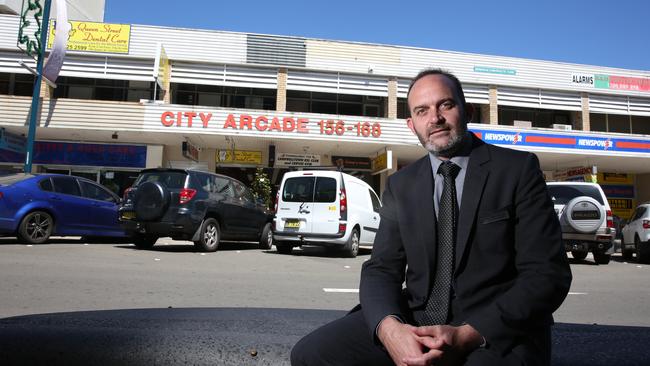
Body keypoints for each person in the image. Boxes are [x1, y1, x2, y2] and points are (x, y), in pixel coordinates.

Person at [290, 69, 572, 366]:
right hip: (417, 320)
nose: (434, 118)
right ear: (412, 125)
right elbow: (381, 269)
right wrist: (391, 331)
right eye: (422, 111)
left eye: (445, 105)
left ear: (467, 111)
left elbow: (546, 275)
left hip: (493, 329)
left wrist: (467, 335)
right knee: (310, 354)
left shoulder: (517, 170)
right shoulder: (402, 185)